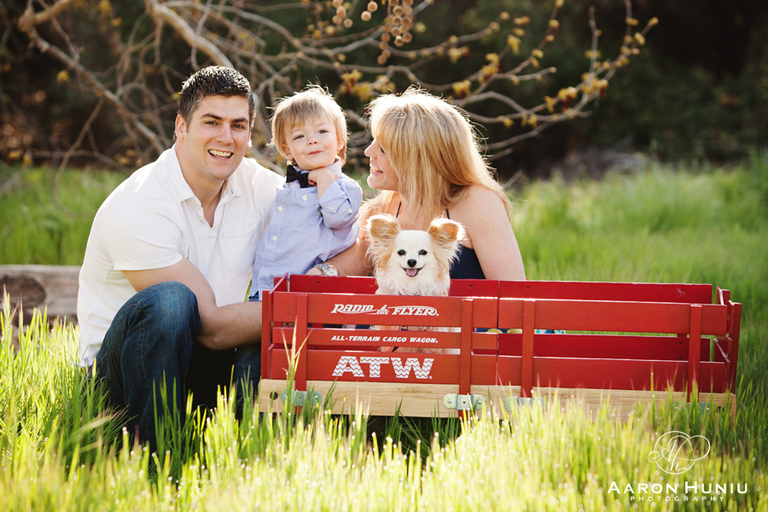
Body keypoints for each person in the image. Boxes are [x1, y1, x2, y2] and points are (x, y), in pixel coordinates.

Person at [76, 66, 284, 452]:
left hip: (202, 362)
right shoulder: (139, 203)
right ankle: (150, 459)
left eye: (238, 125)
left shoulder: (254, 185)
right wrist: (302, 309)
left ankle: (245, 456)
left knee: (259, 334)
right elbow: (212, 327)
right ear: (181, 127)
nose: (226, 137)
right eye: (212, 122)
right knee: (173, 301)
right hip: (119, 380)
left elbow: (333, 223)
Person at [309, 87, 526, 282]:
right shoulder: (384, 207)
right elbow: (358, 256)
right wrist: (321, 273)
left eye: (383, 148)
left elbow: (514, 295)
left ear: (417, 159)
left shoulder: (476, 201)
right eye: (373, 141)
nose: (369, 153)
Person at [235, 85, 362, 388]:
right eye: (299, 136)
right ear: (286, 149)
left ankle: (298, 422)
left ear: (339, 139)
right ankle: (244, 419)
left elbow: (339, 218)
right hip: (266, 291)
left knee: (301, 367)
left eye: (321, 131)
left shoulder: (347, 189)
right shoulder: (285, 188)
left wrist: (325, 181)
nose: (312, 140)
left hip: (309, 296)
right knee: (251, 363)